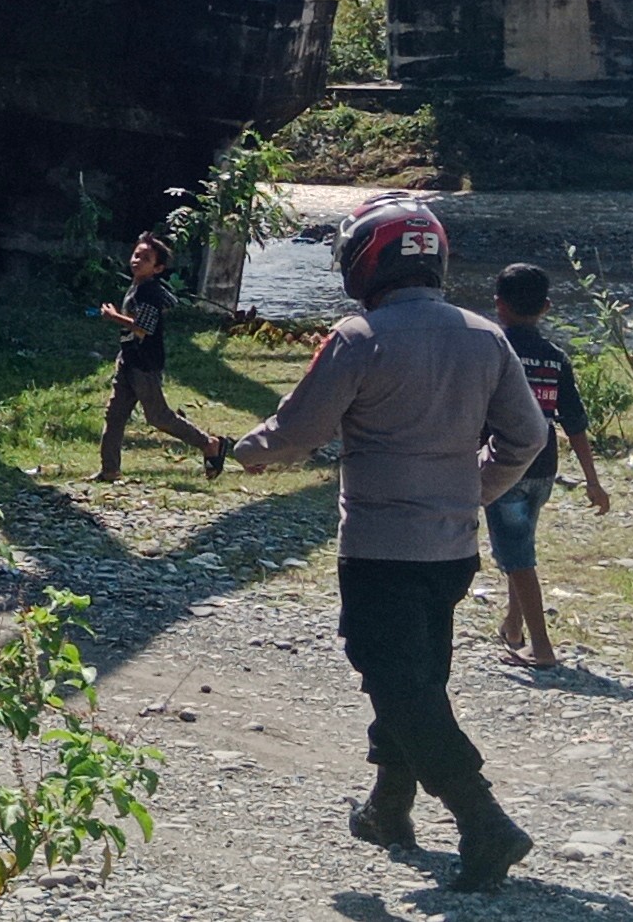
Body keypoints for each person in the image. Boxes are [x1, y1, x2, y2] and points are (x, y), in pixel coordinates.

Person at [231, 194, 546, 893]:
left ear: (365, 262)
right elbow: (526, 437)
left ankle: (480, 817)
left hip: (378, 548)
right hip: (452, 550)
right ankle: (388, 808)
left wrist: (242, 452)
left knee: (397, 681)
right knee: (415, 675)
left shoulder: (358, 337)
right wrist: (473, 491)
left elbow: (297, 433)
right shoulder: (484, 336)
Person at [487, 263, 611, 669]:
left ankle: (541, 648)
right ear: (547, 307)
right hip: (544, 467)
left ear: (498, 306)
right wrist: (593, 482)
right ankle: (513, 628)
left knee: (518, 559)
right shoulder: (555, 359)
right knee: (519, 546)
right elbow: (574, 422)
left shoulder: (493, 350)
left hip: (501, 465)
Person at [94, 233, 228, 483]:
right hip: (129, 359)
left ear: (158, 268)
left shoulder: (149, 293)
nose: (137, 261)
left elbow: (143, 327)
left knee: (158, 416)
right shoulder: (139, 285)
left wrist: (113, 316)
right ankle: (109, 469)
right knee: (114, 415)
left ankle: (209, 443)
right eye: (136, 255)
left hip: (145, 364)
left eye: (145, 258)